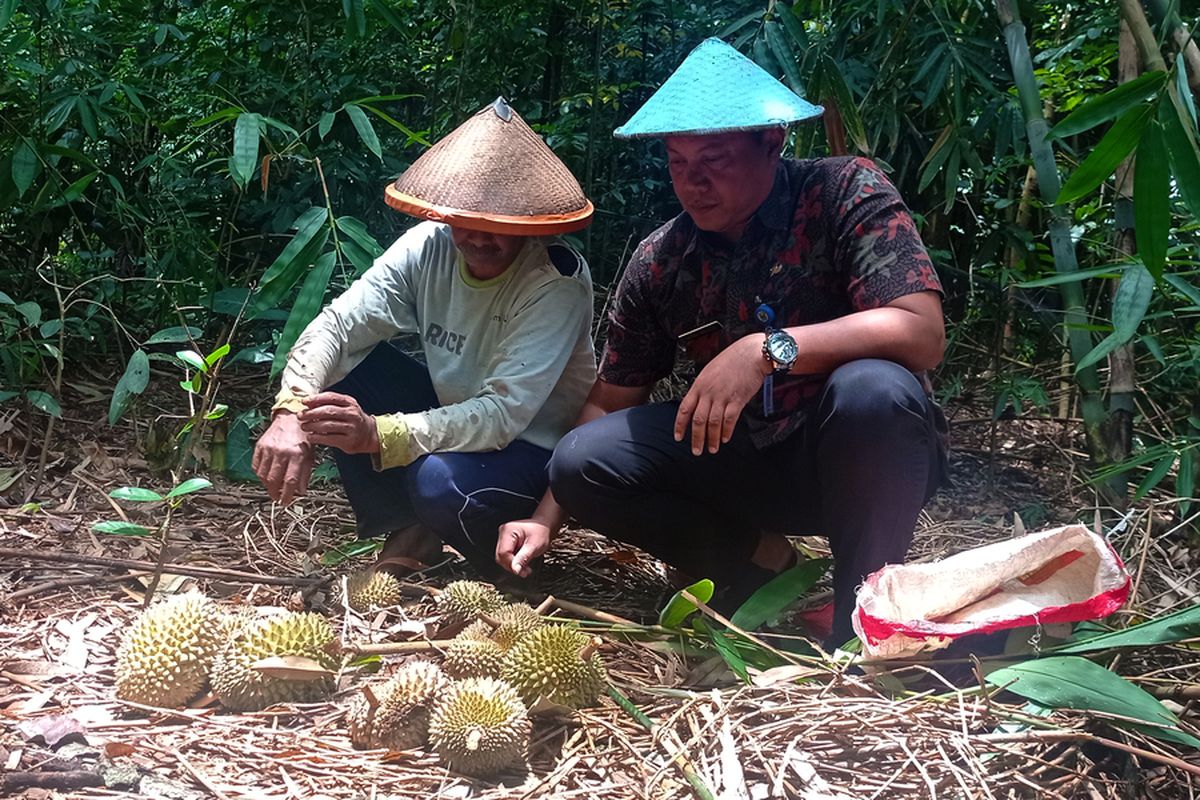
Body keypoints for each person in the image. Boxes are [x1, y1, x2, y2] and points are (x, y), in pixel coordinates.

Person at [496, 39, 947, 645]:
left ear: (772, 142)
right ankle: (758, 565)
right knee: (582, 458)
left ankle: (863, 619)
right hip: (744, 466)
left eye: (714, 159)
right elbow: (609, 403)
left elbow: (920, 331)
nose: (693, 183)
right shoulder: (663, 257)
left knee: (873, 389)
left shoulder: (843, 192)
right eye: (678, 163)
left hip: (854, 453)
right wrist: (545, 515)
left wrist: (766, 348)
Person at [253, 97, 597, 578]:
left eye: (496, 226)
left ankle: (499, 558)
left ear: (527, 226)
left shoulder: (553, 283)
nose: (478, 238)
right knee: (347, 373)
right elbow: (340, 325)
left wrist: (378, 434)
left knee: (439, 485)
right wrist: (291, 410)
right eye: (464, 223)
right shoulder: (427, 246)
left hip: (529, 447)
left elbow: (501, 415)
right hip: (452, 410)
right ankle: (408, 530)